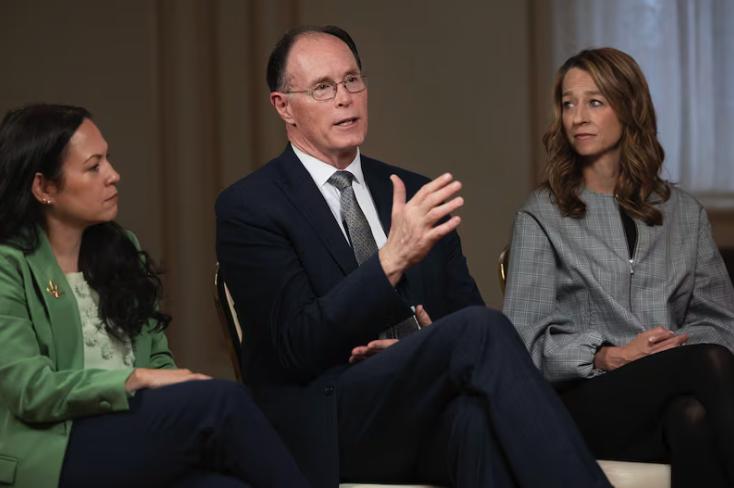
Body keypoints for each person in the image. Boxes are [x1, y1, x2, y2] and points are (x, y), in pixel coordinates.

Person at [216, 25, 611, 488]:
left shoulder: (414, 191)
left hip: (420, 406)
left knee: (476, 423)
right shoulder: (250, 205)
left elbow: (462, 318)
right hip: (329, 416)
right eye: (323, 88)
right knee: (482, 333)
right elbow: (294, 347)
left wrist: (420, 342)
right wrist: (391, 260)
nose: (345, 98)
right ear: (283, 105)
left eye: (352, 80)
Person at [0, 104, 310, 488]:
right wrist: (134, 380)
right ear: (44, 187)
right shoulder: (8, 267)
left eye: (107, 159)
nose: (114, 175)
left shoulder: (119, 250)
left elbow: (157, 356)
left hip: (135, 431)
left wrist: (165, 385)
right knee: (222, 402)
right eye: (93, 166)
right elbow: (31, 391)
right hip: (56, 446)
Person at [503, 47, 734, 488]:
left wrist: (672, 348)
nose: (577, 117)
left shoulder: (684, 214)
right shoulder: (541, 215)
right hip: (583, 405)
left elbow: (721, 322)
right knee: (706, 364)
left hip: (671, 392)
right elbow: (523, 345)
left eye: (595, 101)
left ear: (629, 107)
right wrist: (609, 355)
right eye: (568, 103)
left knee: (692, 417)